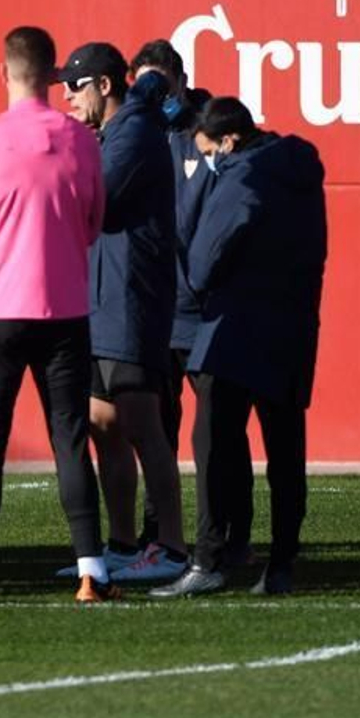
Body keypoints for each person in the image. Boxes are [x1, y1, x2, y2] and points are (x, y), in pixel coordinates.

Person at [0, 27, 114, 606]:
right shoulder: (81, 139)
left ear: (4, 72)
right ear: (53, 76)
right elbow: (93, 221)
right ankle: (93, 571)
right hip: (64, 309)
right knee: (70, 440)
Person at [152, 99, 327, 599]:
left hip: (235, 331)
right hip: (293, 327)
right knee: (285, 451)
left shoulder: (239, 178)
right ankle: (282, 563)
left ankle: (209, 558)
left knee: (213, 442)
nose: (206, 161)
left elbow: (203, 265)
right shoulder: (299, 168)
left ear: (228, 141)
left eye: (209, 151)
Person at [58, 43, 187, 585]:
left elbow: (96, 201)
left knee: (140, 423)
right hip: (101, 296)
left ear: (103, 87)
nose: (66, 100)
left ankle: (173, 548)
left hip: (130, 299)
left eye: (74, 88)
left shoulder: (132, 133)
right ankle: (122, 544)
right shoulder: (117, 130)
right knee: (104, 424)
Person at [128, 40, 248, 562]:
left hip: (208, 312)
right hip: (155, 311)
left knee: (219, 431)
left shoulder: (211, 129)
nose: (156, 95)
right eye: (145, 85)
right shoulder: (135, 132)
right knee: (157, 431)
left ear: (181, 78)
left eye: (161, 82)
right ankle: (161, 537)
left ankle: (228, 537)